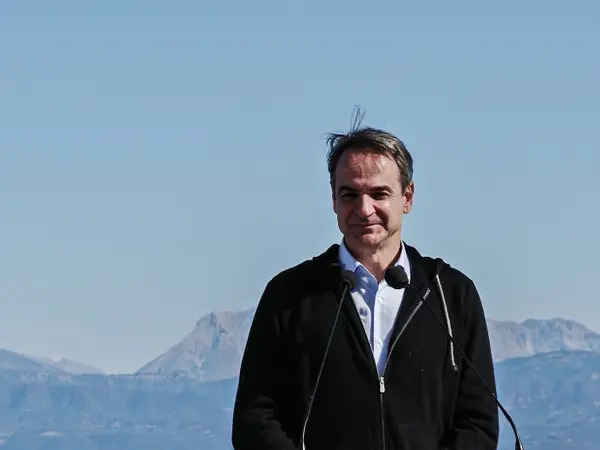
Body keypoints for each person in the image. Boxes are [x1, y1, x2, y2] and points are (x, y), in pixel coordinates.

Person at [231, 120, 499, 450]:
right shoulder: (290, 296)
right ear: (333, 200)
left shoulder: (451, 295)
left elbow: (478, 423)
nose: (364, 209)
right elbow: (255, 419)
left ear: (407, 197)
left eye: (379, 194)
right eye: (350, 195)